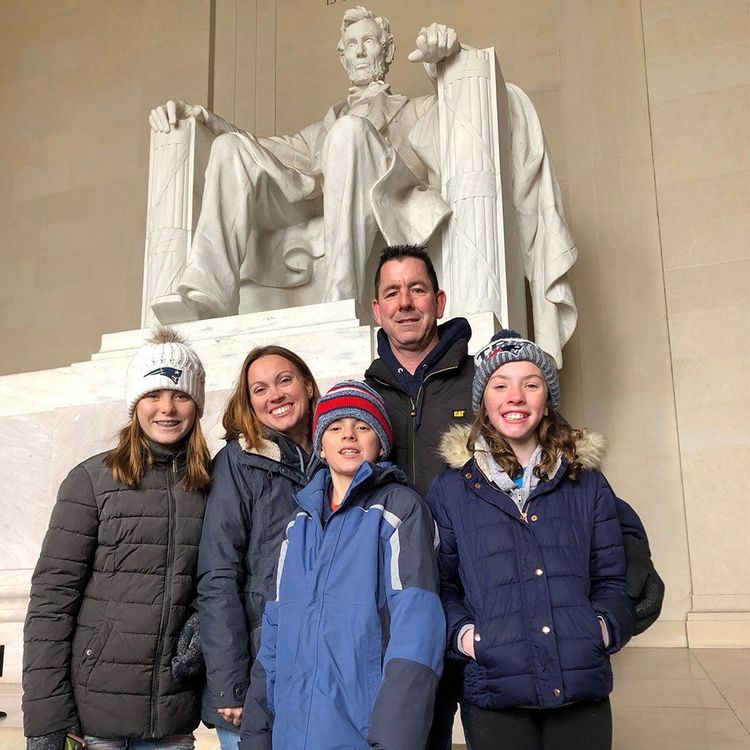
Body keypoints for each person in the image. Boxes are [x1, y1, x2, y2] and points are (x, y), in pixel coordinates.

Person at [147, 7, 577, 366]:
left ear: (386, 52)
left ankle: (339, 301)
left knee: (351, 133)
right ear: (342, 57)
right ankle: (207, 296)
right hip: (322, 183)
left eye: (369, 42)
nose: (359, 51)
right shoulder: (324, 127)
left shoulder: (410, 109)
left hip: (391, 207)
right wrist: (201, 120)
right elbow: (262, 149)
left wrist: (444, 59)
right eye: (351, 45)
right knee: (228, 149)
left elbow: (453, 115)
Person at [364, 244, 665, 749]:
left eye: (417, 289)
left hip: (512, 613)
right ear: (377, 309)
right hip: (422, 608)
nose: (405, 302)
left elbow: (583, 499)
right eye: (392, 292)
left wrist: (611, 614)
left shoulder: (484, 381)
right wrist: (463, 633)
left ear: (438, 300)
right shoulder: (366, 396)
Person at [425, 329, 636, 749]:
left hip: (580, 680)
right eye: (500, 385)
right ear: (484, 401)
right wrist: (468, 639)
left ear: (547, 399)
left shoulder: (587, 483)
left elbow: (614, 580)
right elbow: (442, 586)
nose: (515, 397)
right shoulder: (450, 490)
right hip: (493, 686)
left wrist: (601, 630)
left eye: (531, 384)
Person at [22, 328, 212, 749]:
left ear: (196, 406)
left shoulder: (211, 486)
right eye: (153, 395)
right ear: (135, 404)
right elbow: (51, 604)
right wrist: (47, 722)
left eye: (180, 395)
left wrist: (203, 620)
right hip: (96, 725)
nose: (166, 408)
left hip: (173, 721)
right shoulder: (90, 481)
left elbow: (219, 579)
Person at [239, 381, 445, 750]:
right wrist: (257, 733)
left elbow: (418, 628)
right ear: (321, 445)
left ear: (380, 444)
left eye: (362, 426)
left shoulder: (400, 509)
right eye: (335, 427)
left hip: (361, 732)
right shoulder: (297, 524)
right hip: (291, 734)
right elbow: (274, 630)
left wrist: (396, 739)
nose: (348, 434)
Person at [195, 346, 321, 750]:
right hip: (257, 669)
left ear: (308, 384)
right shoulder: (236, 463)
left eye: (285, 380)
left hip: (327, 668)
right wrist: (229, 684)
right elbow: (218, 575)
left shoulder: (340, 452)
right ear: (249, 403)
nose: (276, 395)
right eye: (260, 389)